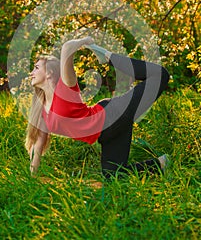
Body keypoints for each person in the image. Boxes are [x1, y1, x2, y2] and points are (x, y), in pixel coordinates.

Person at [26, 37, 170, 179]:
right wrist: (31, 179)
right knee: (113, 177)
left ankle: (108, 56)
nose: (31, 73)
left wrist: (85, 41)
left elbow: (67, 48)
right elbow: (37, 146)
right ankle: (163, 163)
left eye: (36, 68)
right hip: (106, 134)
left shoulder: (65, 89)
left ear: (49, 72)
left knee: (160, 75)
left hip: (113, 114)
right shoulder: (42, 111)